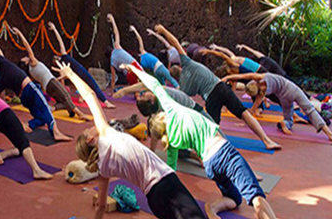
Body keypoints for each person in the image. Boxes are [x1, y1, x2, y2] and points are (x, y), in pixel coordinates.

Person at [53, 61, 205, 219]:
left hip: (153, 198)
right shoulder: (105, 134)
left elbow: (101, 206)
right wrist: (70, 74)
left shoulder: (103, 169)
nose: (92, 126)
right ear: (91, 139)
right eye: (88, 130)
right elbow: (90, 95)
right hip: (166, 184)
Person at [125, 64, 277, 219]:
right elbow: (153, 83)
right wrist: (134, 68)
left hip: (211, 165)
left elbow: (170, 171)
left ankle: (211, 208)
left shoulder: (171, 143)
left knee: (235, 199)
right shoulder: (171, 108)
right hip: (224, 153)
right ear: (160, 116)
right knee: (257, 197)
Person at [155, 24, 281, 150]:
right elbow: (175, 42)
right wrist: (163, 30)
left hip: (211, 98)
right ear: (180, 67)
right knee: (244, 113)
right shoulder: (187, 63)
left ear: (175, 78)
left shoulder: (183, 87)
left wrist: (159, 90)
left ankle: (222, 150)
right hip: (221, 87)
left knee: (212, 129)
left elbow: (178, 96)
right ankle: (267, 141)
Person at [0, 23, 74, 140]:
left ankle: (28, 125)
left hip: (24, 98)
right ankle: (56, 133)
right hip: (30, 89)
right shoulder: (4, 64)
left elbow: (1, 102)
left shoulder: (1, 80)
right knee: (46, 108)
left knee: (40, 117)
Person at [12, 26, 92, 122]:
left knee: (62, 99)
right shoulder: (33, 64)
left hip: (48, 86)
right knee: (65, 96)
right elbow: (27, 46)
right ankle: (80, 114)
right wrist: (19, 33)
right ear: (25, 63)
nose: (25, 57)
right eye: (24, 59)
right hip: (50, 83)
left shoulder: (30, 73)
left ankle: (56, 109)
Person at [223, 72, 332, 140]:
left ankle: (285, 123)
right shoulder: (261, 77)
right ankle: (329, 133)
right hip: (292, 90)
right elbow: (243, 75)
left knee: (288, 119)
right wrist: (228, 77)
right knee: (310, 110)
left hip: (283, 98)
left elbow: (251, 111)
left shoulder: (261, 93)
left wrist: (244, 122)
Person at [47, 22, 115, 109]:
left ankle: (86, 97)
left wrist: (54, 29)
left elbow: (63, 79)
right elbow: (63, 79)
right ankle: (106, 102)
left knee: (89, 86)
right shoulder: (63, 62)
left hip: (79, 74)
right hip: (80, 73)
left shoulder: (63, 59)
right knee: (93, 85)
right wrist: (54, 29)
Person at [107, 13, 143, 91]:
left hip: (129, 75)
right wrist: (112, 20)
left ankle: (137, 93)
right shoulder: (117, 47)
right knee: (145, 83)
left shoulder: (112, 63)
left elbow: (113, 80)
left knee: (136, 88)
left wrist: (112, 93)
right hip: (134, 67)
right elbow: (116, 32)